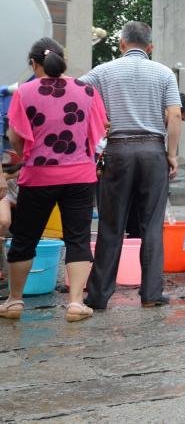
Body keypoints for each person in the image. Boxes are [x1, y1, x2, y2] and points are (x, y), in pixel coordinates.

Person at [0, 38, 107, 322]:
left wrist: (27, 155)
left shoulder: (25, 92)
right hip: (80, 175)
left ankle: (14, 301)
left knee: (25, 238)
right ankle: (74, 304)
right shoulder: (87, 90)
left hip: (38, 176)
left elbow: (15, 135)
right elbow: (97, 131)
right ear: (63, 60)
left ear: (35, 64)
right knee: (78, 238)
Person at [82, 21, 182, 310]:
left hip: (117, 151)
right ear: (150, 47)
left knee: (111, 226)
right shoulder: (164, 73)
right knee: (151, 226)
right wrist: (171, 154)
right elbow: (174, 116)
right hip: (153, 152)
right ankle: (151, 295)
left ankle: (99, 296)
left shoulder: (102, 71)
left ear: (121, 44)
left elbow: (77, 94)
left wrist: (99, 123)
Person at [125, 92, 185, 239]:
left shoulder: (155, 123)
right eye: (181, 118)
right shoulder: (156, 121)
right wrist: (171, 155)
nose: (179, 122)